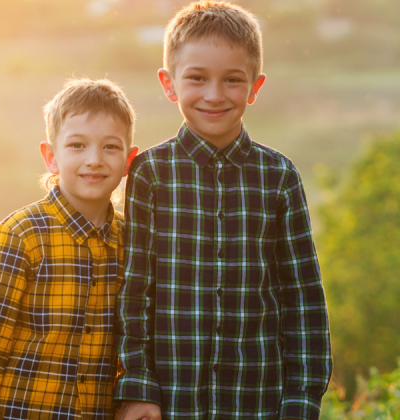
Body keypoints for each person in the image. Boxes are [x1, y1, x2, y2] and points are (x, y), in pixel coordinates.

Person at [114, 2, 332, 420]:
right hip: (169, 404)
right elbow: (133, 293)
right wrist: (138, 385)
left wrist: (301, 401)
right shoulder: (150, 175)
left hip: (259, 404)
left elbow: (303, 301)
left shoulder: (279, 178)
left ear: (255, 86)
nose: (214, 95)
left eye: (232, 80)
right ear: (169, 83)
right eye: (197, 78)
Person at [0, 78, 139, 419]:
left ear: (129, 159)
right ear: (51, 156)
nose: (94, 160)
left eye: (110, 147)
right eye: (77, 146)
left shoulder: (133, 243)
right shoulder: (20, 236)